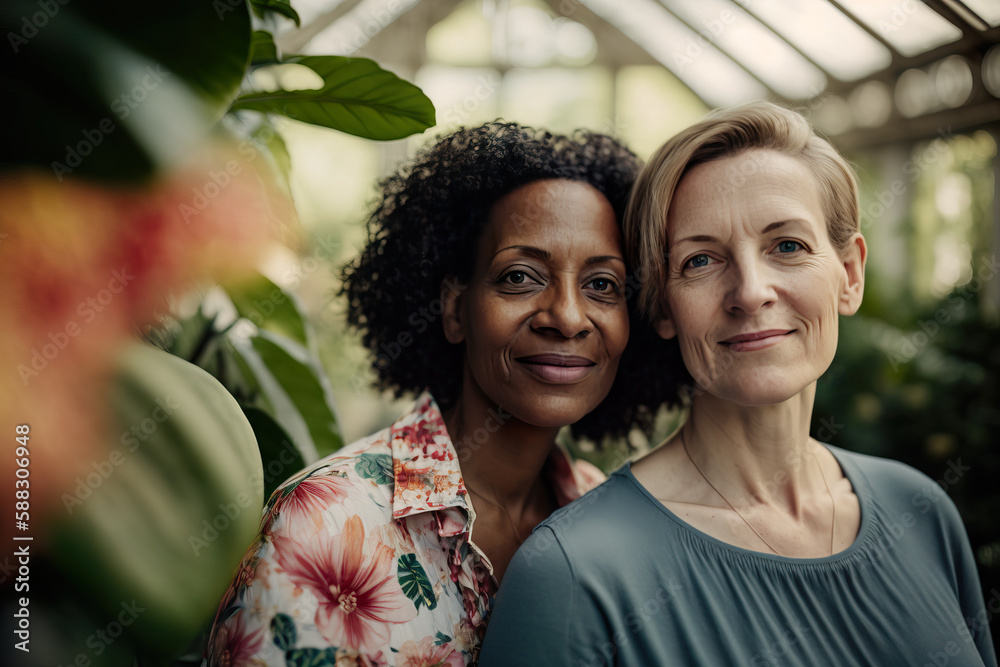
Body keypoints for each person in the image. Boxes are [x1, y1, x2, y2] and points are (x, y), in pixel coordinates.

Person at [479, 102, 998, 666]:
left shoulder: (921, 511)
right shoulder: (575, 572)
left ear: (850, 274)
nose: (750, 292)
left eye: (788, 246)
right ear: (662, 304)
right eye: (701, 261)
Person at [205, 121, 674, 666]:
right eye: (521, 277)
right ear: (454, 309)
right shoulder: (324, 523)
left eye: (602, 285)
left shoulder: (603, 515)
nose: (568, 317)